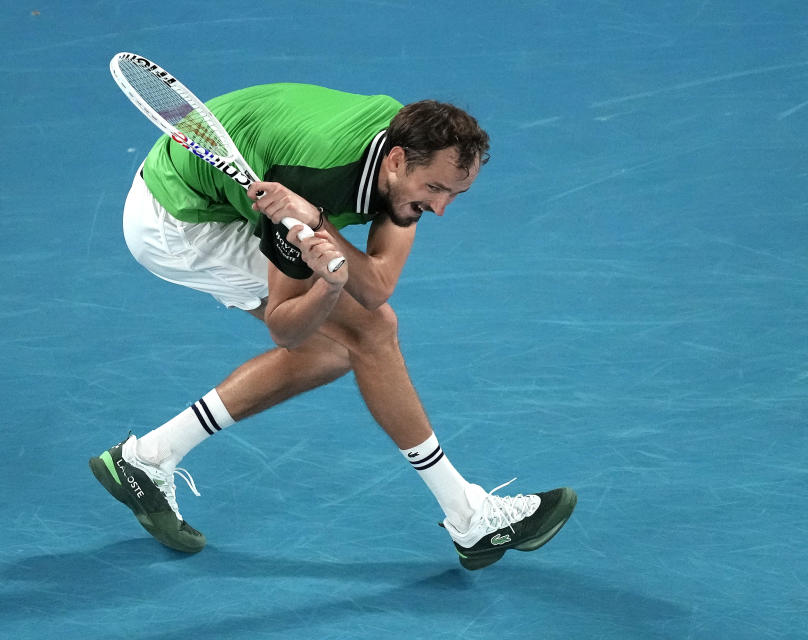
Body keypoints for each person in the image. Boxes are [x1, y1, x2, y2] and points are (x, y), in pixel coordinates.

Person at [90, 83, 576, 570]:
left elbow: (377, 282)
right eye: (434, 189)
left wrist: (319, 226)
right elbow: (286, 329)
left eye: (455, 192)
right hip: (179, 220)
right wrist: (324, 278)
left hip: (262, 185)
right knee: (369, 332)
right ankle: (470, 516)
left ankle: (146, 460)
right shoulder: (309, 177)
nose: (443, 208)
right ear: (395, 161)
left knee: (336, 349)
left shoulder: (407, 153)